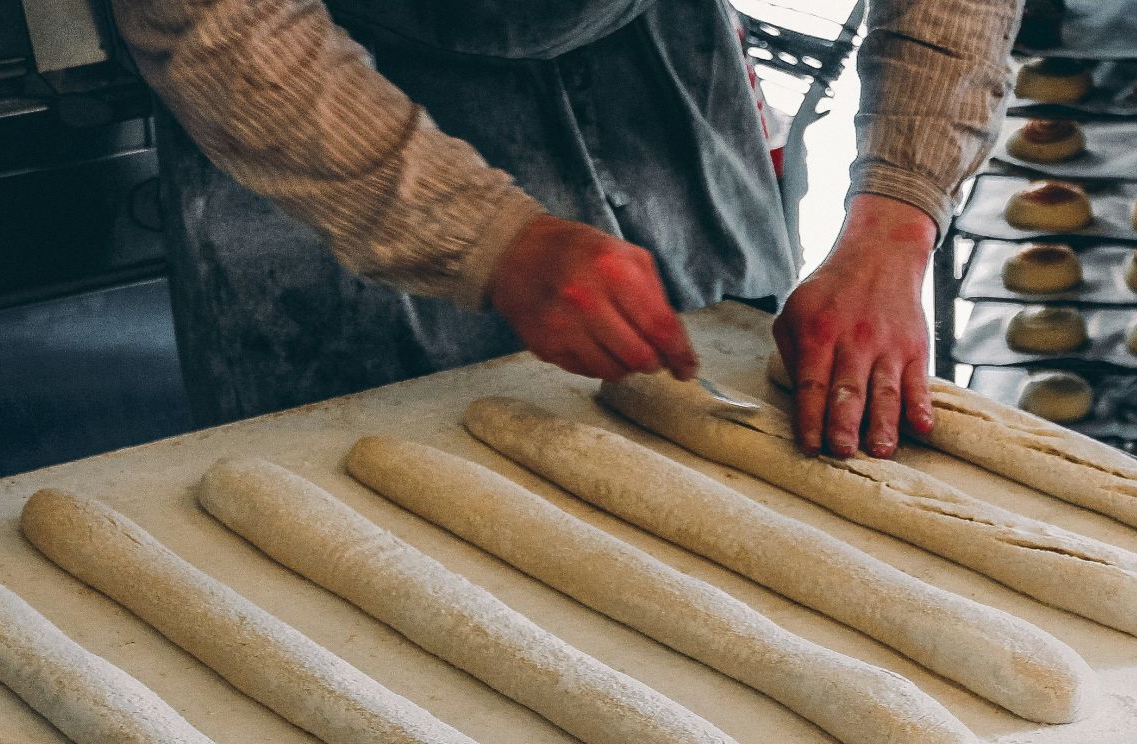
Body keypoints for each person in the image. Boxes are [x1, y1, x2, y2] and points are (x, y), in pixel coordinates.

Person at [112, 0, 1020, 458]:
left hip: (653, 74)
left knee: (752, 473)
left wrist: (897, 218)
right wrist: (481, 235)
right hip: (313, 95)